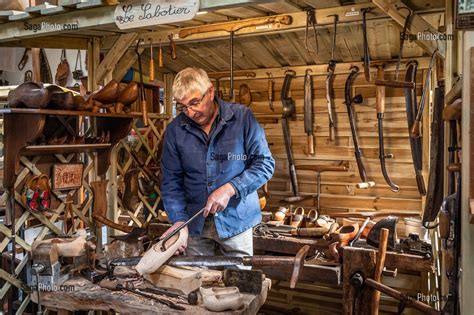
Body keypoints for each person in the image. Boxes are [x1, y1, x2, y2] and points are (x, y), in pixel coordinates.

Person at [160, 67, 275, 258]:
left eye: (195, 102)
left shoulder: (242, 118)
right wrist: (179, 221)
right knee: (198, 283)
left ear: (211, 92)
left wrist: (230, 188)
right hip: (195, 226)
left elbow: (264, 164)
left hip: (237, 222)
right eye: (182, 106)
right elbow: (171, 180)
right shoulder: (175, 130)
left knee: (240, 281)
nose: (190, 112)